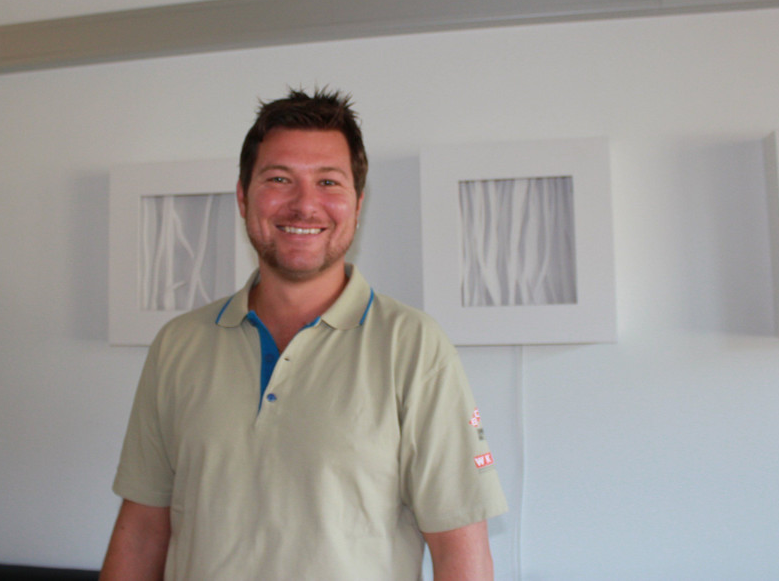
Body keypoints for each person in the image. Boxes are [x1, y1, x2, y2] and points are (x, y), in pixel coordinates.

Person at [100, 88, 507, 580]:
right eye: (279, 179)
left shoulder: (414, 347)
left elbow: (461, 552)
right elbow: (142, 532)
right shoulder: (178, 345)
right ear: (243, 197)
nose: (304, 204)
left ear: (357, 204)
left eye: (328, 181)